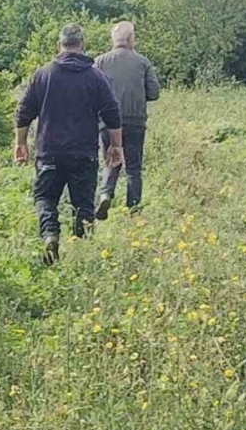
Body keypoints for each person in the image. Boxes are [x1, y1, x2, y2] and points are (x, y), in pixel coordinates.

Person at [15, 23, 123, 264]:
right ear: (82, 45)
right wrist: (116, 146)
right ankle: (81, 255)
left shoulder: (42, 74)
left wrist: (20, 142)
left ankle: (50, 235)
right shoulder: (96, 77)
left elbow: (23, 111)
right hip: (83, 153)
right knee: (83, 203)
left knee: (45, 198)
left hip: (49, 152)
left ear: (59, 45)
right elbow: (112, 113)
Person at [93, 21, 160, 220]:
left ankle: (105, 194)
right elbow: (154, 93)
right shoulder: (143, 62)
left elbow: (91, 91)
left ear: (113, 40)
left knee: (110, 161)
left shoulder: (99, 62)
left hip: (106, 121)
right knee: (133, 168)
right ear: (131, 39)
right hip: (135, 121)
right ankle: (133, 211)